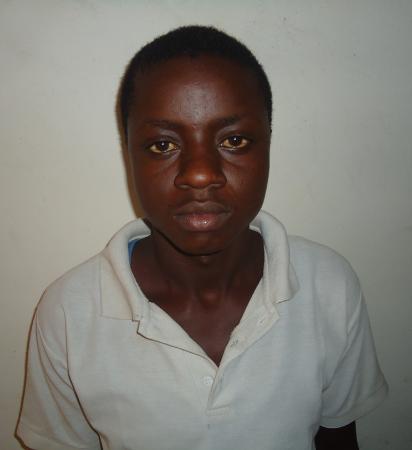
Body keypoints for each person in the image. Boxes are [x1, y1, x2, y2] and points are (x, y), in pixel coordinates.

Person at [16, 26, 388, 450]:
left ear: (268, 145)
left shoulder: (328, 286)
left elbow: (338, 438)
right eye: (162, 145)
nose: (199, 174)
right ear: (128, 153)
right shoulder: (70, 312)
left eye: (234, 140)